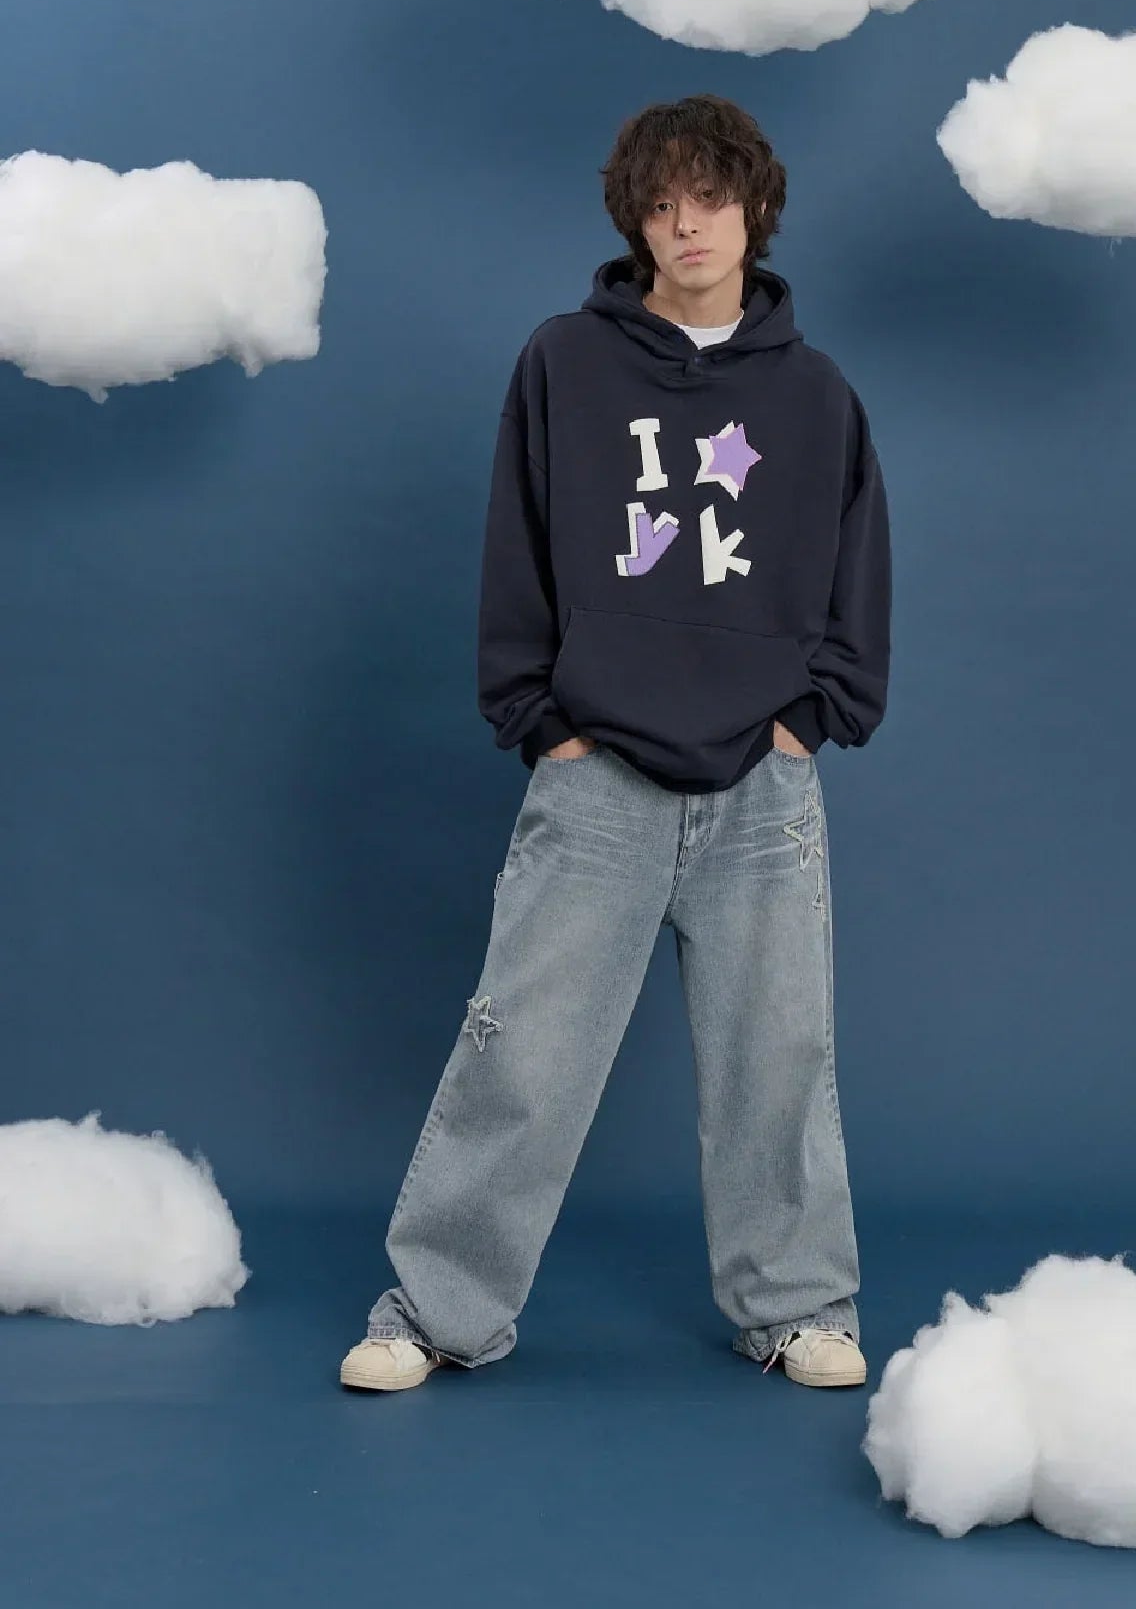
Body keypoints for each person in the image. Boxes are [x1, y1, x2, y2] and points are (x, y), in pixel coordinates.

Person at [340, 93, 891, 1393]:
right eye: (658, 202)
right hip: (599, 776)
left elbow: (859, 563)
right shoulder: (563, 364)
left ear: (755, 206)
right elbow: (515, 542)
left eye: (707, 196)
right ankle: (434, 1314)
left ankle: (799, 1306)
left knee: (781, 1057)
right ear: (633, 217)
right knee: (519, 1054)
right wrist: (538, 719)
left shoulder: (815, 397)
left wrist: (816, 717)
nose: (684, 223)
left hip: (761, 783)